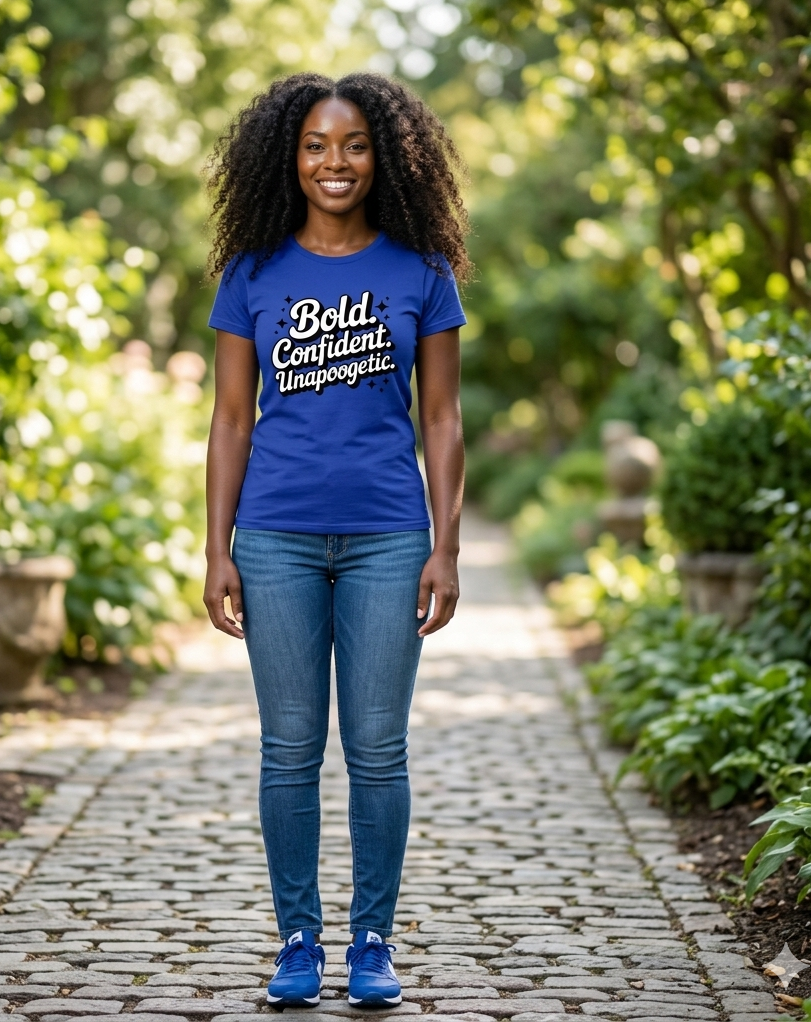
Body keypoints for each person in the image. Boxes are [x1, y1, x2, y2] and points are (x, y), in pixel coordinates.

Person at [203, 72, 470, 1009]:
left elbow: (443, 418)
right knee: (288, 749)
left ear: (384, 156)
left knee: (378, 750)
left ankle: (372, 942)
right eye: (315, 145)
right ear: (289, 157)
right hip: (273, 538)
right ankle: (297, 941)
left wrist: (446, 547)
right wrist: (216, 548)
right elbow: (230, 419)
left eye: (354, 144)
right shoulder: (253, 272)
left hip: (388, 538)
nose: (335, 162)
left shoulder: (422, 270)